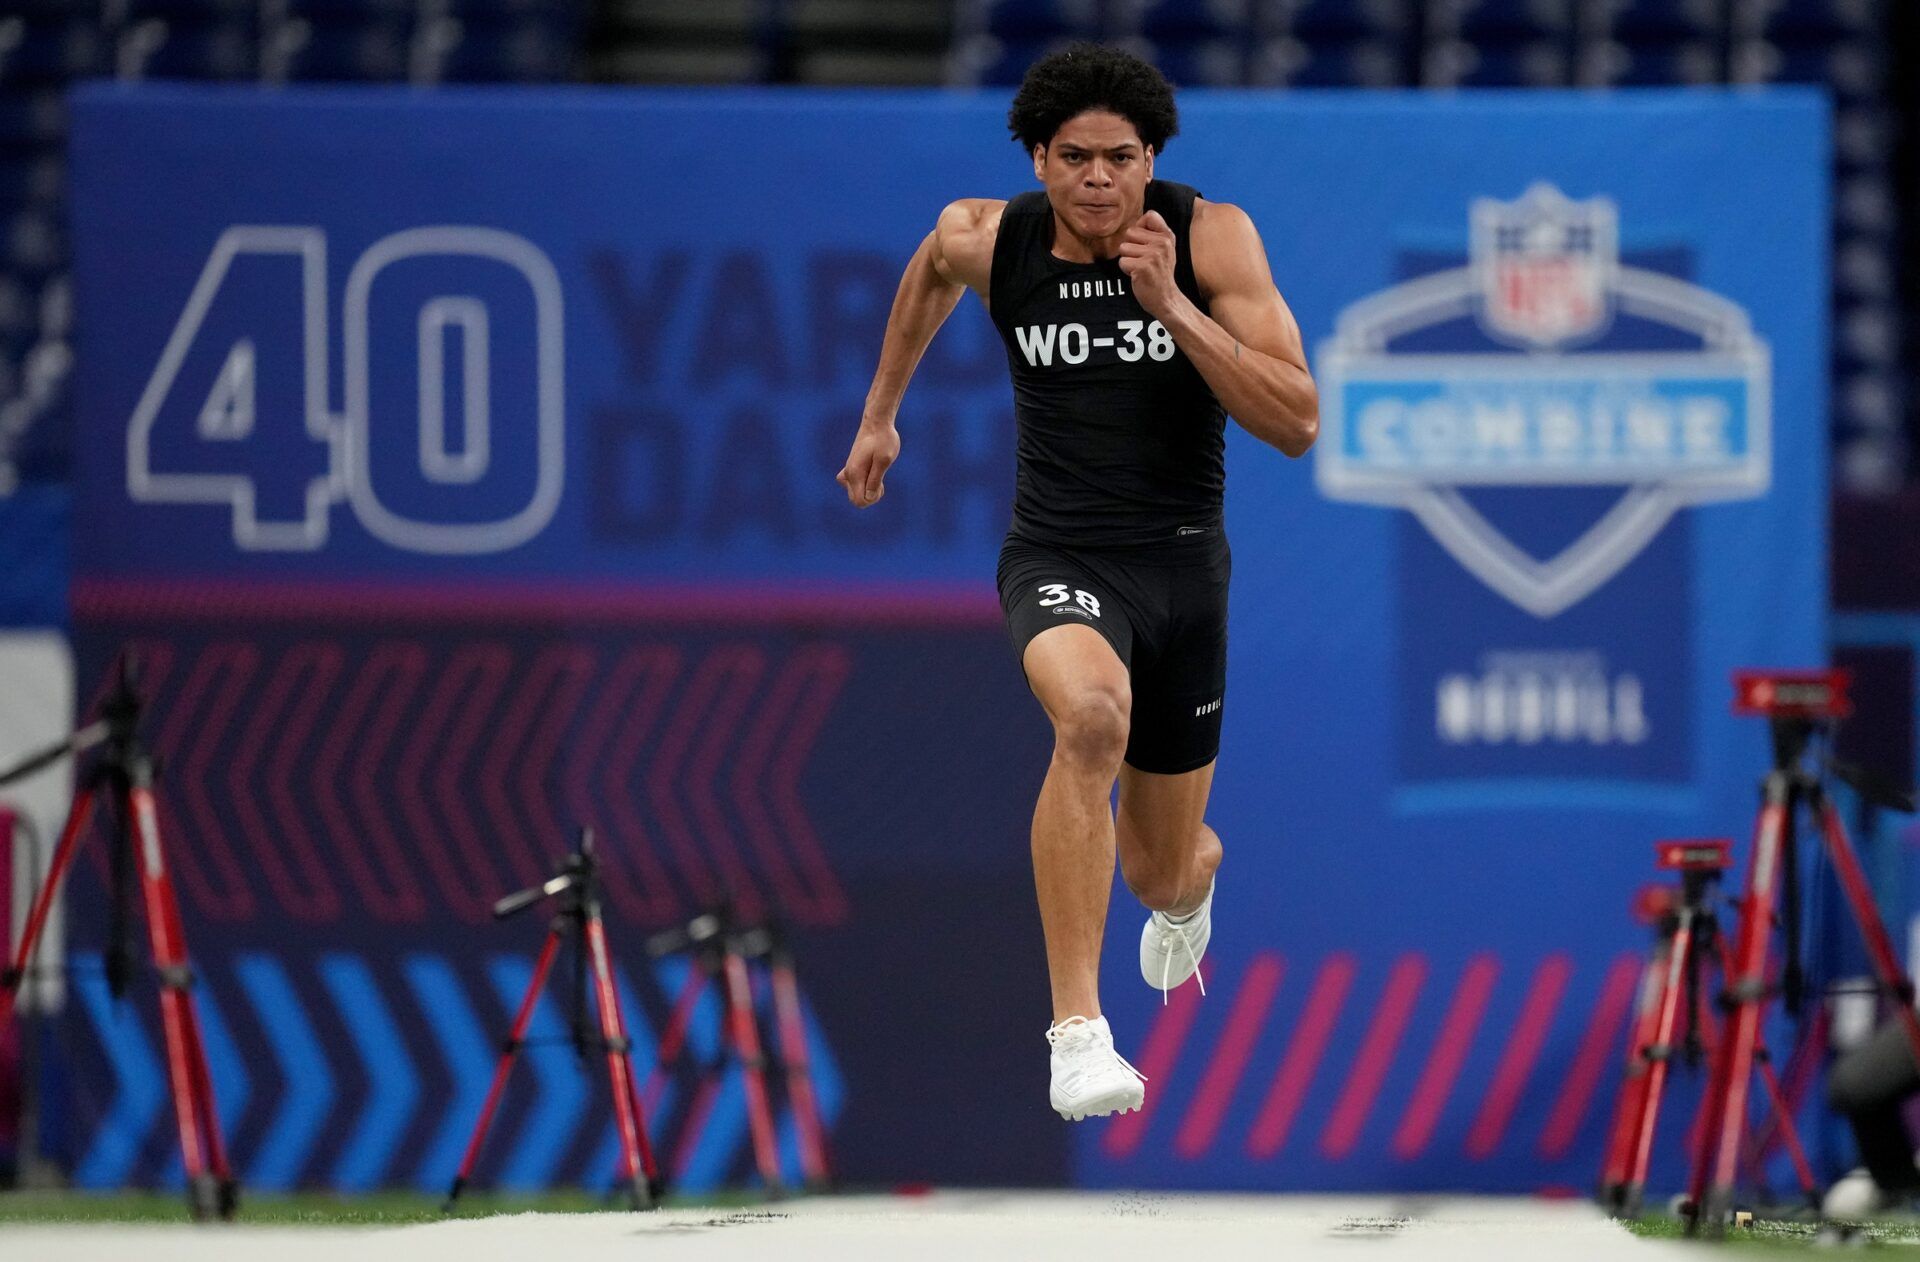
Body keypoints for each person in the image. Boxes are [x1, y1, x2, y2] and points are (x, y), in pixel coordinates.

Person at [838, 43, 1318, 1121]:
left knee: (1160, 868)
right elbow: (926, 272)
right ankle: (1077, 1032)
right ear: (1039, 162)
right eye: (1074, 159)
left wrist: (1171, 305)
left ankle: (1195, 876)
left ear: (1152, 160)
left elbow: (1297, 420)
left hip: (1183, 569)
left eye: (1120, 158)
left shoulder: (1211, 237)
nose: (1099, 180)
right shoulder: (988, 236)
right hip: (1059, 558)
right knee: (1092, 720)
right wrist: (880, 412)